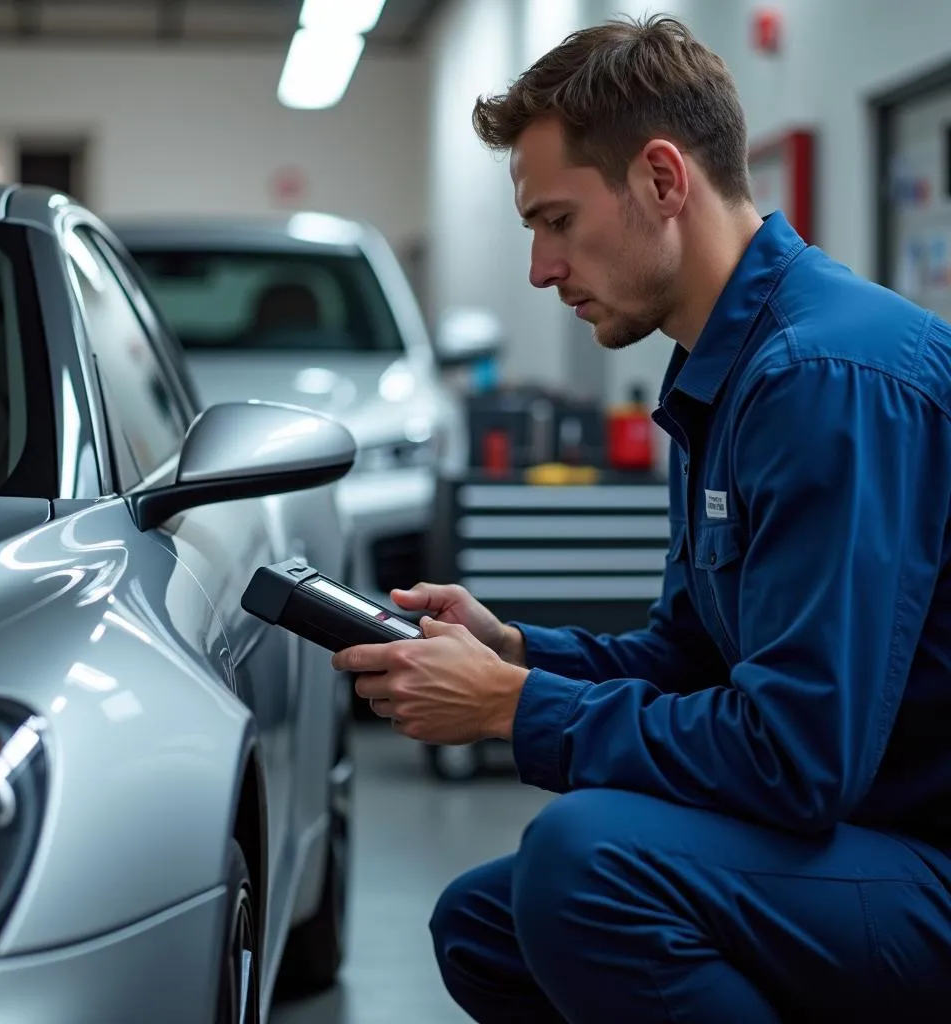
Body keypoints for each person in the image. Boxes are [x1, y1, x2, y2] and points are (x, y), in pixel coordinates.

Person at [331, 14, 951, 1023]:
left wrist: (508, 708)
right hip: (866, 839)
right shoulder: (724, 371)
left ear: (662, 180)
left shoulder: (822, 380)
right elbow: (691, 660)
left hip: (921, 855)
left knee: (584, 864)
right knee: (483, 927)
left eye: (557, 221)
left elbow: (794, 759)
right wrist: (518, 653)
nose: (539, 266)